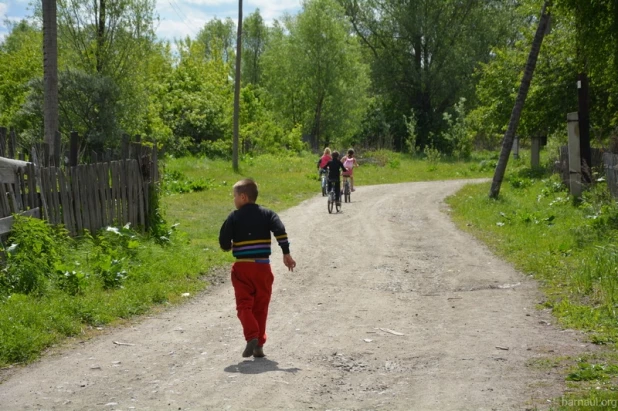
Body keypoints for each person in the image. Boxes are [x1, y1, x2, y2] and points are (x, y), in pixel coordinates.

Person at [219, 178, 297, 358]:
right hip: (263, 268)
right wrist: (286, 253)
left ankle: (252, 335)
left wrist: (227, 246)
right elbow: (280, 230)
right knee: (261, 307)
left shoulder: (234, 216)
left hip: (243, 269)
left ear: (243, 197)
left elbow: (223, 239)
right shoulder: (268, 214)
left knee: (244, 305)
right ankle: (259, 346)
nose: (234, 200)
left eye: (235, 196)